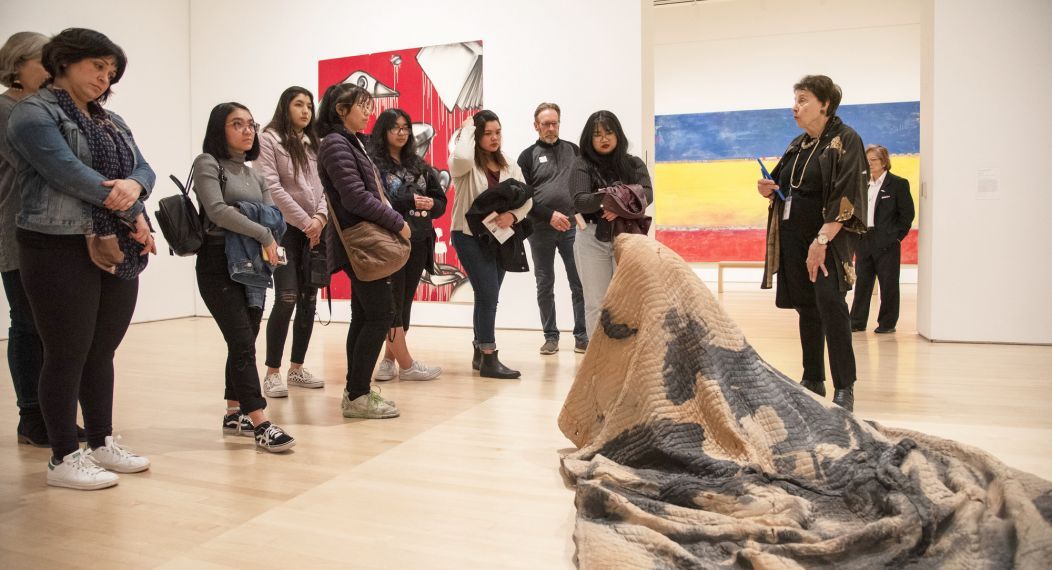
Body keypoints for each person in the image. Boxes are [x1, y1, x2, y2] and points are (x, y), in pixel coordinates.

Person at [6, 28, 155, 489]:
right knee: (66, 350)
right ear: (65, 61)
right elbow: (67, 173)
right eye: (97, 65)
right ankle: (63, 457)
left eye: (111, 71)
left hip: (116, 241)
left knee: (101, 350)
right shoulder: (32, 114)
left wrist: (137, 191)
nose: (104, 77)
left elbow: (143, 168)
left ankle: (100, 440)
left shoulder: (111, 119)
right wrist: (131, 204)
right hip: (56, 243)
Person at [758, 75, 868, 412]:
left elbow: (846, 195)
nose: (796, 106)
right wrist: (766, 187)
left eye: (803, 99)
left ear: (825, 104)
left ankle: (845, 387)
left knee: (831, 306)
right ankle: (813, 377)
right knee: (807, 307)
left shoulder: (846, 140)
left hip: (827, 239)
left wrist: (822, 239)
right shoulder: (798, 144)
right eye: (795, 99)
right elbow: (779, 181)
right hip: (795, 237)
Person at [193, 101, 296, 452]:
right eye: (237, 123)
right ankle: (260, 422)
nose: (248, 130)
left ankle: (232, 410)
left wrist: (254, 221)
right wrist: (263, 233)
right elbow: (217, 211)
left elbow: (275, 217)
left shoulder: (256, 174)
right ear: (219, 129)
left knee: (244, 341)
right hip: (218, 263)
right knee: (241, 342)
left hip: (253, 266)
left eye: (251, 124)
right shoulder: (207, 163)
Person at [316, 83, 409, 418]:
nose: (369, 111)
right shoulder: (335, 143)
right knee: (379, 315)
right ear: (341, 110)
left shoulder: (348, 141)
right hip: (360, 242)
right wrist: (398, 222)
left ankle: (355, 393)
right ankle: (357, 394)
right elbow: (355, 196)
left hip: (359, 242)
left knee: (365, 315)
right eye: (362, 105)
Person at [256, 86, 327, 397]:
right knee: (286, 297)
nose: (305, 111)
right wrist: (305, 221)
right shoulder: (268, 138)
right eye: (299, 104)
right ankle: (272, 372)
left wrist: (320, 220)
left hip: (314, 230)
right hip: (284, 229)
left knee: (309, 300)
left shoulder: (314, 143)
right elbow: (271, 187)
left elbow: (325, 186)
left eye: (309, 106)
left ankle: (296, 368)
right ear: (285, 107)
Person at [449, 110, 532, 379]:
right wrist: (468, 126)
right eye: (488, 133)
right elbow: (461, 155)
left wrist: (513, 216)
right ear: (476, 135)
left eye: (498, 132)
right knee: (489, 294)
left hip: (499, 236)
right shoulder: (464, 163)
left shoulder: (508, 162)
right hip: (469, 236)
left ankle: (479, 350)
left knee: (486, 296)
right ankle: (488, 355)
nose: (495, 138)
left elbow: (527, 198)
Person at [0, 31, 53, 447]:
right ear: (17, 65)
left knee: (48, 325)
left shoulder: (44, 108)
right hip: (15, 229)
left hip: (46, 230)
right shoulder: (5, 109)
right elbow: (37, 163)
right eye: (43, 61)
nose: (52, 71)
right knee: (27, 322)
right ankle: (31, 416)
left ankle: (50, 412)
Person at [369, 108, 445, 382]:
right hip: (391, 240)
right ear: (383, 131)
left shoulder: (420, 164)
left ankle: (389, 359)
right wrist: (409, 201)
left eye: (406, 127)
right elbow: (379, 199)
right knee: (391, 302)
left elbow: (441, 202)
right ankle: (405, 362)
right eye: (395, 128)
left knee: (404, 302)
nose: (402, 133)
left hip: (421, 239)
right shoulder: (374, 164)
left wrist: (431, 204)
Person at [569, 110, 653, 339]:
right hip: (591, 238)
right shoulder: (581, 164)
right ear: (589, 138)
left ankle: (626, 359)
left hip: (627, 238)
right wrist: (618, 199)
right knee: (596, 302)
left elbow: (647, 194)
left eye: (609, 132)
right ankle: (597, 363)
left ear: (618, 134)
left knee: (628, 299)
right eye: (597, 134)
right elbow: (581, 201)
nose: (604, 138)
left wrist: (613, 202)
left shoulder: (632, 163)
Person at [517, 102, 587, 356]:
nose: (550, 128)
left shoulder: (574, 150)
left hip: (571, 226)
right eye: (545, 123)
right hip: (540, 228)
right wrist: (548, 215)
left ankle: (582, 336)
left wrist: (579, 215)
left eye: (554, 122)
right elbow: (522, 197)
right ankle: (550, 337)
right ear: (536, 126)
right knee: (545, 283)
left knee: (578, 282)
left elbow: (583, 186)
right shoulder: (527, 157)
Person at [850, 144, 915, 334]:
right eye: (867, 160)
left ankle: (887, 324)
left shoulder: (898, 184)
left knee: (889, 285)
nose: (869, 164)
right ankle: (857, 321)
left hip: (887, 243)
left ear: (884, 162)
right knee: (862, 283)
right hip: (864, 240)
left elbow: (907, 216)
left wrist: (895, 238)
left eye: (873, 160)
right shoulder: (863, 184)